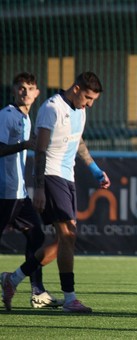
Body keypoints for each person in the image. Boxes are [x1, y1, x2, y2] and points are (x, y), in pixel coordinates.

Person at [30, 71, 110, 313]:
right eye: (87, 97)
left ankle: (13, 278)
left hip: (68, 177)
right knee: (68, 235)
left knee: (65, 239)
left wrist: (95, 169)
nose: (90, 104)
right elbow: (40, 150)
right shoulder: (51, 108)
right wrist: (40, 188)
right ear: (76, 89)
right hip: (51, 174)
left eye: (93, 99)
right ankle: (70, 298)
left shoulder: (81, 110)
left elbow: (78, 142)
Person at [0, 72, 63, 311]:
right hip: (4, 192)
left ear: (37, 93)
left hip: (18, 193)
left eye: (30, 88)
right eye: (21, 88)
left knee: (36, 237)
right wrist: (25, 144)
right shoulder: (6, 115)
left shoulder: (27, 118)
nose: (25, 92)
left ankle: (38, 291)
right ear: (14, 90)